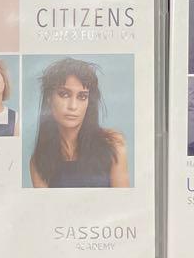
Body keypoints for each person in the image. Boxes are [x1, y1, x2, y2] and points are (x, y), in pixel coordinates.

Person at [29, 58, 128, 187]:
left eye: (82, 97)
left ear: (89, 102)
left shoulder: (113, 143)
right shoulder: (38, 162)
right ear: (49, 98)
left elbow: (124, 199)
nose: (73, 106)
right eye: (64, 94)